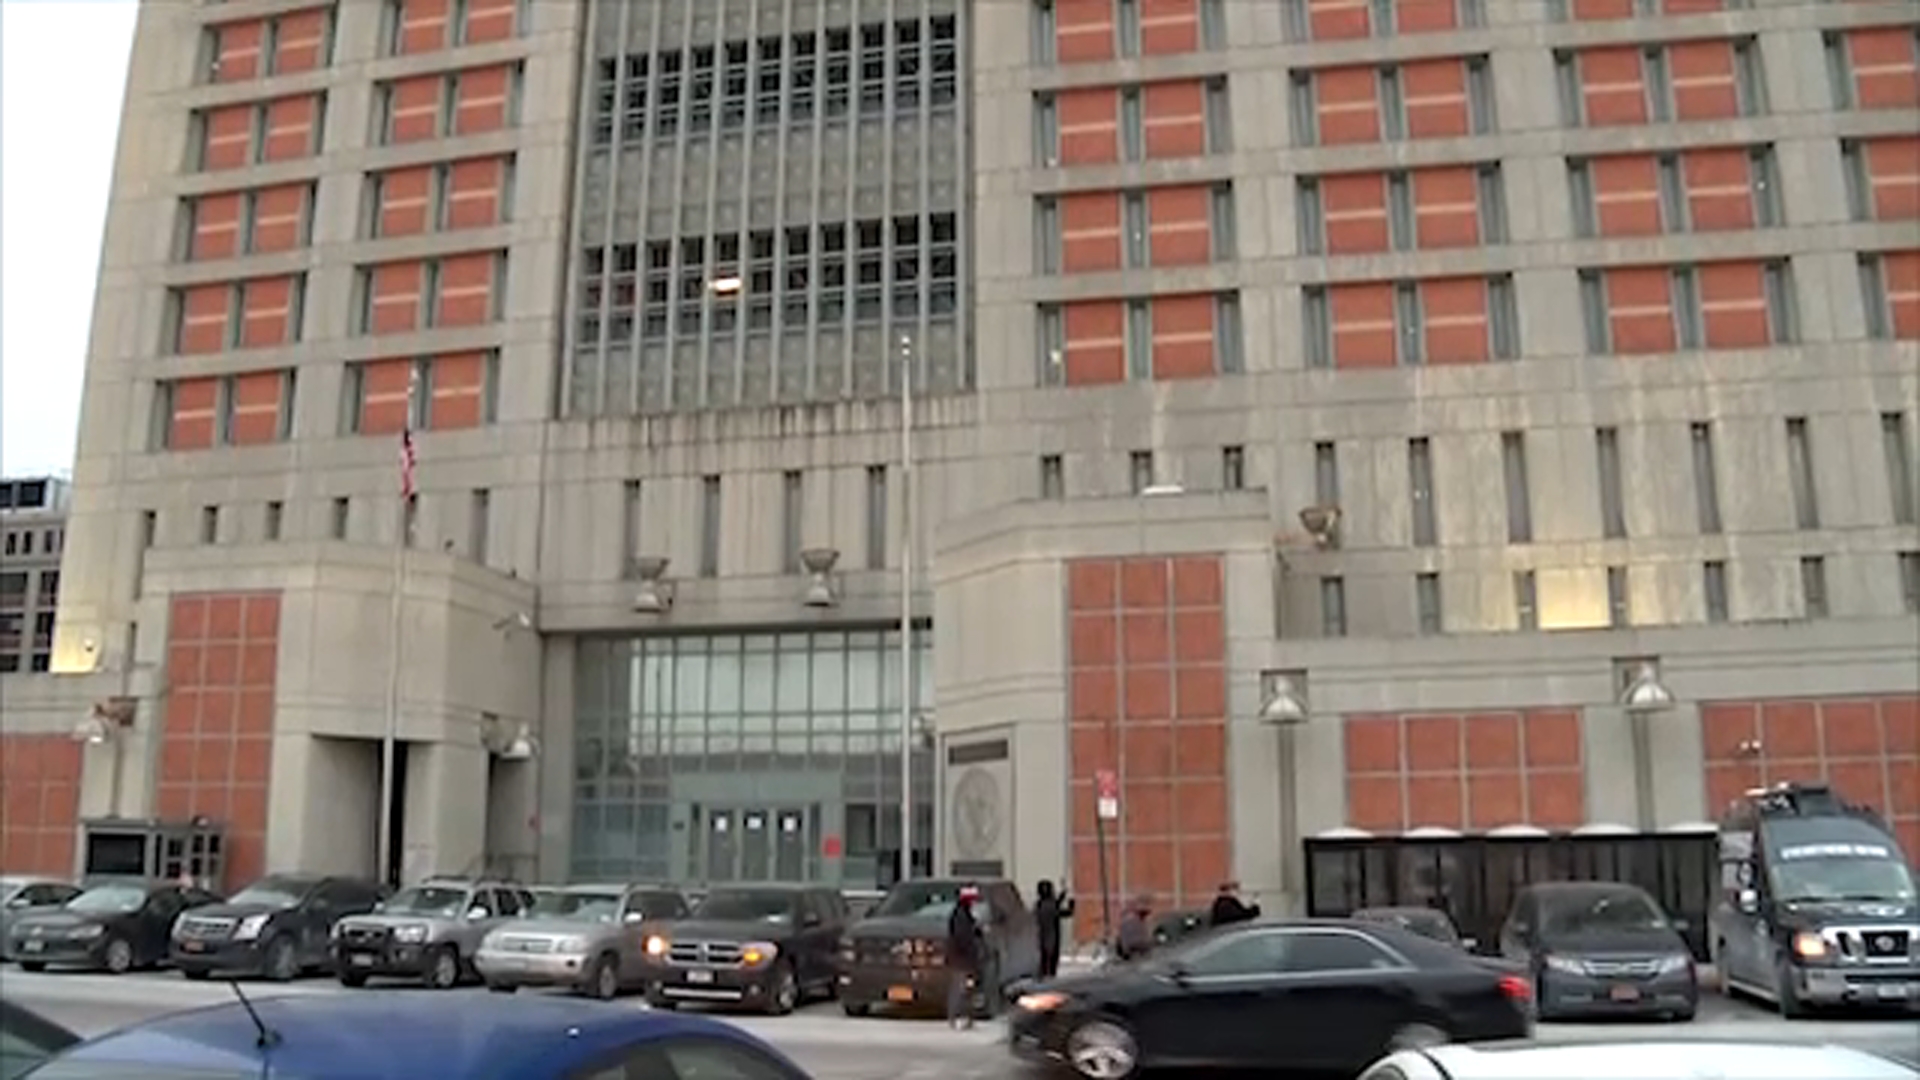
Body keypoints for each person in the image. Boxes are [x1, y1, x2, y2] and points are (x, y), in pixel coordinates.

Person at [945, 885, 984, 1029]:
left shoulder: (963, 915)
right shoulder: (962, 916)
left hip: (962, 958)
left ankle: (964, 1017)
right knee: (961, 988)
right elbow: (963, 938)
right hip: (962, 959)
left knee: (965, 989)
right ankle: (956, 1016)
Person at [1033, 879, 1075, 979]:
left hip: (1041, 939)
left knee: (1044, 962)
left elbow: (1054, 906)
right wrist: (1072, 906)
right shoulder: (1049, 906)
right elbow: (1063, 912)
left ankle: (1044, 977)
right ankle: (1048, 979)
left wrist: (1061, 897)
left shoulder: (1039, 905)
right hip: (1051, 939)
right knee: (1050, 964)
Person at [1115, 895, 1154, 961]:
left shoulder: (1142, 923)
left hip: (1136, 955)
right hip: (1134, 957)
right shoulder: (1131, 922)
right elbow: (1133, 943)